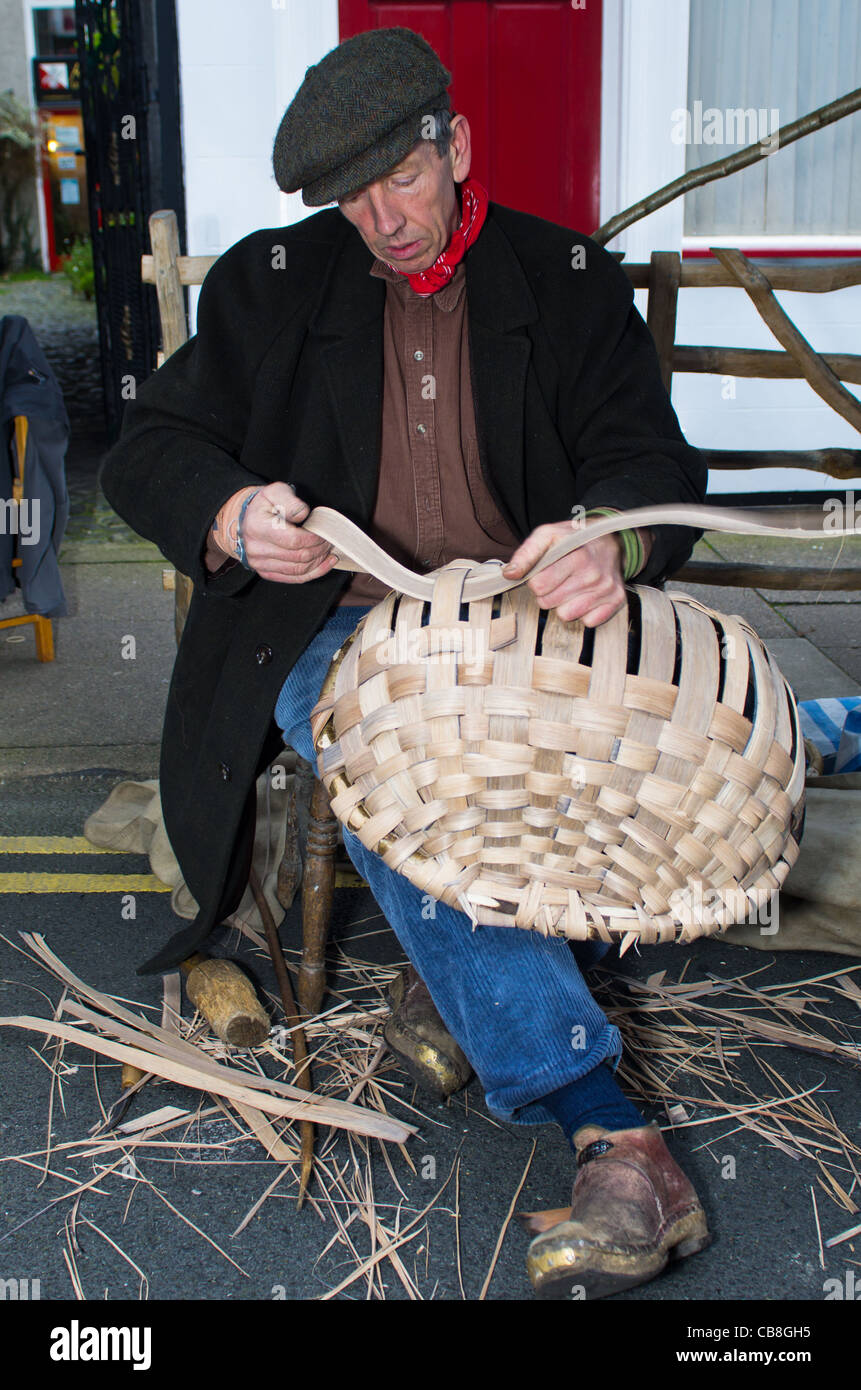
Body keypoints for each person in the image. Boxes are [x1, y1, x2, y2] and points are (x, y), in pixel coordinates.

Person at [100, 26, 711, 1299]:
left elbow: (653, 470)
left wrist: (621, 544)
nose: (385, 219)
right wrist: (227, 513)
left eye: (408, 180)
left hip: (525, 619)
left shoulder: (566, 277)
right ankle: (612, 1128)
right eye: (354, 196)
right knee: (393, 756)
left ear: (458, 148)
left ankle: (455, 983)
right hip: (339, 621)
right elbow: (149, 444)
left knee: (662, 735)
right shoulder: (276, 285)